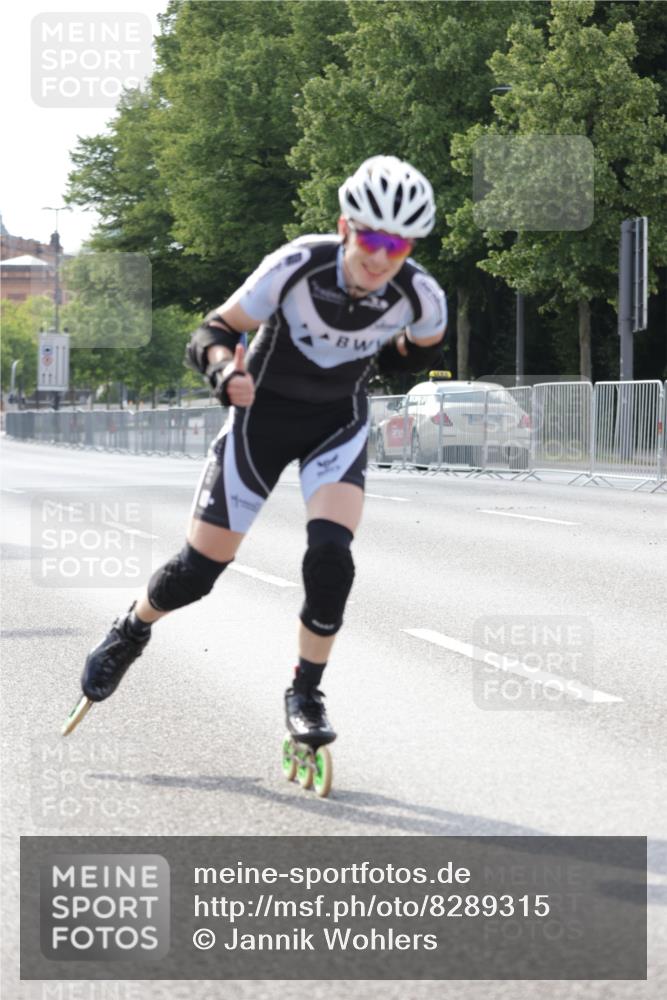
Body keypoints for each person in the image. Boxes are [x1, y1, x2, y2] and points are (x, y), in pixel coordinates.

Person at [77, 155, 447, 748]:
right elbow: (212, 331)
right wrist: (224, 373)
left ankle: (305, 691)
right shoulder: (298, 263)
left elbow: (416, 351)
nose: (381, 256)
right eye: (371, 236)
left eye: (398, 244)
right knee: (197, 574)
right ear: (345, 226)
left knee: (331, 561)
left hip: (335, 425)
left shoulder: (422, 295)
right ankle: (131, 627)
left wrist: (381, 352)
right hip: (260, 424)